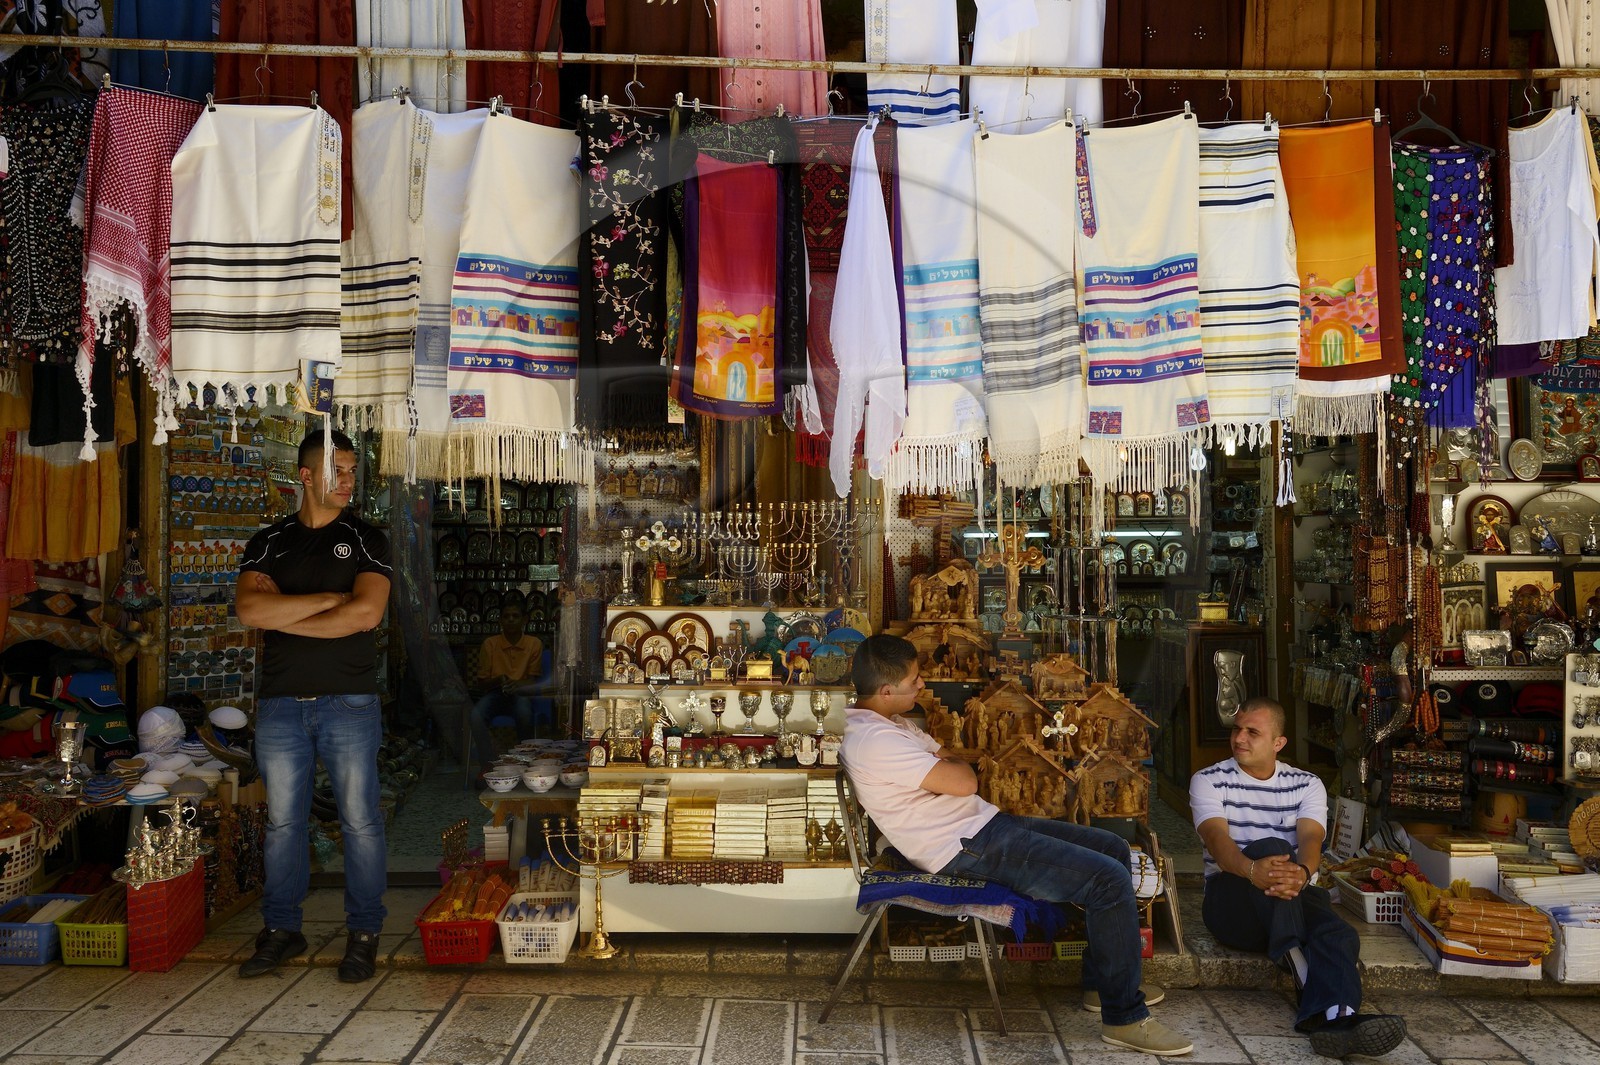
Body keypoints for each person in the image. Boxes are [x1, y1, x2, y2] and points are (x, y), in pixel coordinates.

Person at [840, 634, 1193, 1058]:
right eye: (914, 680)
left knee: (1112, 848)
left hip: (980, 826)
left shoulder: (893, 725)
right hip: (964, 847)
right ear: (885, 690)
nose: (921, 686)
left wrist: (948, 768)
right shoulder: (876, 740)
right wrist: (949, 769)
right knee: (1108, 879)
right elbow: (964, 777)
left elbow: (952, 762)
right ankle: (1125, 1018)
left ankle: (1104, 985)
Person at [233, 428, 393, 983]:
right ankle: (281, 929)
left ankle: (365, 931)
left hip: (349, 703)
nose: (349, 481)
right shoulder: (269, 542)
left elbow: (366, 615)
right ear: (306, 476)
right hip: (280, 705)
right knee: (282, 825)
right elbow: (252, 611)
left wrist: (291, 615)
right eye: (338, 471)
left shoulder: (368, 539)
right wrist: (329, 600)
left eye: (352, 471)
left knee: (360, 822)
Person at [1190, 697, 1407, 1059]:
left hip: (1289, 894)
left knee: (1337, 932)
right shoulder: (1209, 779)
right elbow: (1218, 840)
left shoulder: (1306, 784)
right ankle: (1305, 980)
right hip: (1231, 906)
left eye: (1252, 732)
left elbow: (1311, 839)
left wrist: (1304, 873)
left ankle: (1340, 1018)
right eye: (1237, 729)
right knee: (1272, 846)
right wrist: (1252, 870)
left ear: (1278, 743)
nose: (1239, 738)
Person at [468, 601, 545, 774]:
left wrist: (515, 684)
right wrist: (499, 680)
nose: (511, 620)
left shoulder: (534, 644)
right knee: (475, 716)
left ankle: (525, 763)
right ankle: (487, 764)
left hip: (521, 694)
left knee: (524, 713)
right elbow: (481, 683)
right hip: (495, 693)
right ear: (500, 621)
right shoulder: (490, 644)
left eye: (515, 616)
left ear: (524, 620)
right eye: (506, 616)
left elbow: (533, 682)